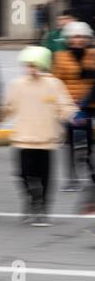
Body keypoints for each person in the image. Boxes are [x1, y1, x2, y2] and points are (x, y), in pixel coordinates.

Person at [0, 46, 78, 227]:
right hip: (23, 138)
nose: (31, 68)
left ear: (43, 64)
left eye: (34, 64)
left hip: (46, 139)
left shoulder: (54, 84)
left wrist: (73, 116)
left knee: (45, 177)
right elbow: (7, 108)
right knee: (23, 175)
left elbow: (65, 106)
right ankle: (31, 202)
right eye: (28, 64)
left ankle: (43, 210)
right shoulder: (17, 85)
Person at [52, 21, 95, 191]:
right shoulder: (60, 57)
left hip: (88, 105)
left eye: (82, 37)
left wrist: (84, 101)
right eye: (75, 37)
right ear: (69, 39)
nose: (78, 40)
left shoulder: (92, 55)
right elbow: (56, 81)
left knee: (88, 143)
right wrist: (65, 102)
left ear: (87, 38)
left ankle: (91, 174)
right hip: (68, 105)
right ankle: (72, 179)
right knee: (70, 143)